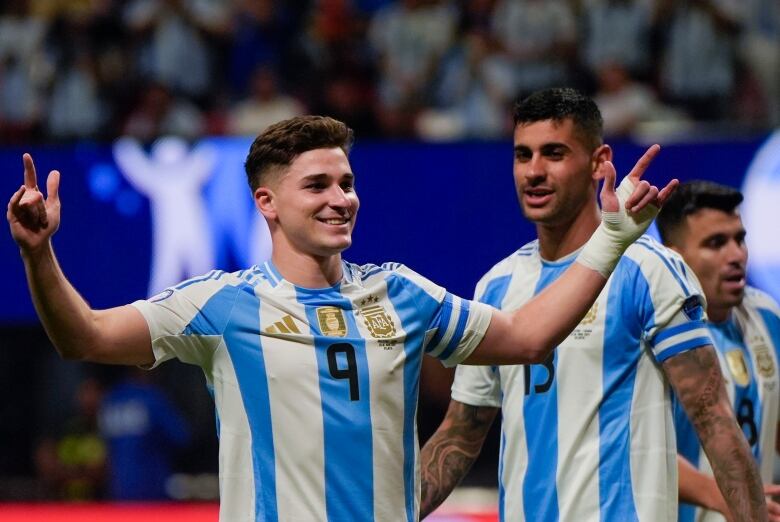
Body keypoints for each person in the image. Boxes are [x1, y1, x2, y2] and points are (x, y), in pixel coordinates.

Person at [9, 114, 672, 521]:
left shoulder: (402, 295)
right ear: (267, 202)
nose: (340, 200)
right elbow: (84, 336)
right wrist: (39, 256)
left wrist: (611, 240)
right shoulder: (221, 304)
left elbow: (527, 338)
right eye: (318, 186)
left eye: (347, 184)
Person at [418, 88, 766, 521]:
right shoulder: (496, 286)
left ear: (600, 161)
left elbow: (712, 417)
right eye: (523, 155)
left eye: (554, 153)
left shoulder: (649, 270)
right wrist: (388, 511)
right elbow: (460, 435)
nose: (534, 171)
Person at [655, 181, 780, 522]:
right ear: (674, 257)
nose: (736, 255)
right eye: (716, 243)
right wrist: (725, 496)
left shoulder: (768, 317)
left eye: (739, 239)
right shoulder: (648, 334)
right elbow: (631, 447)